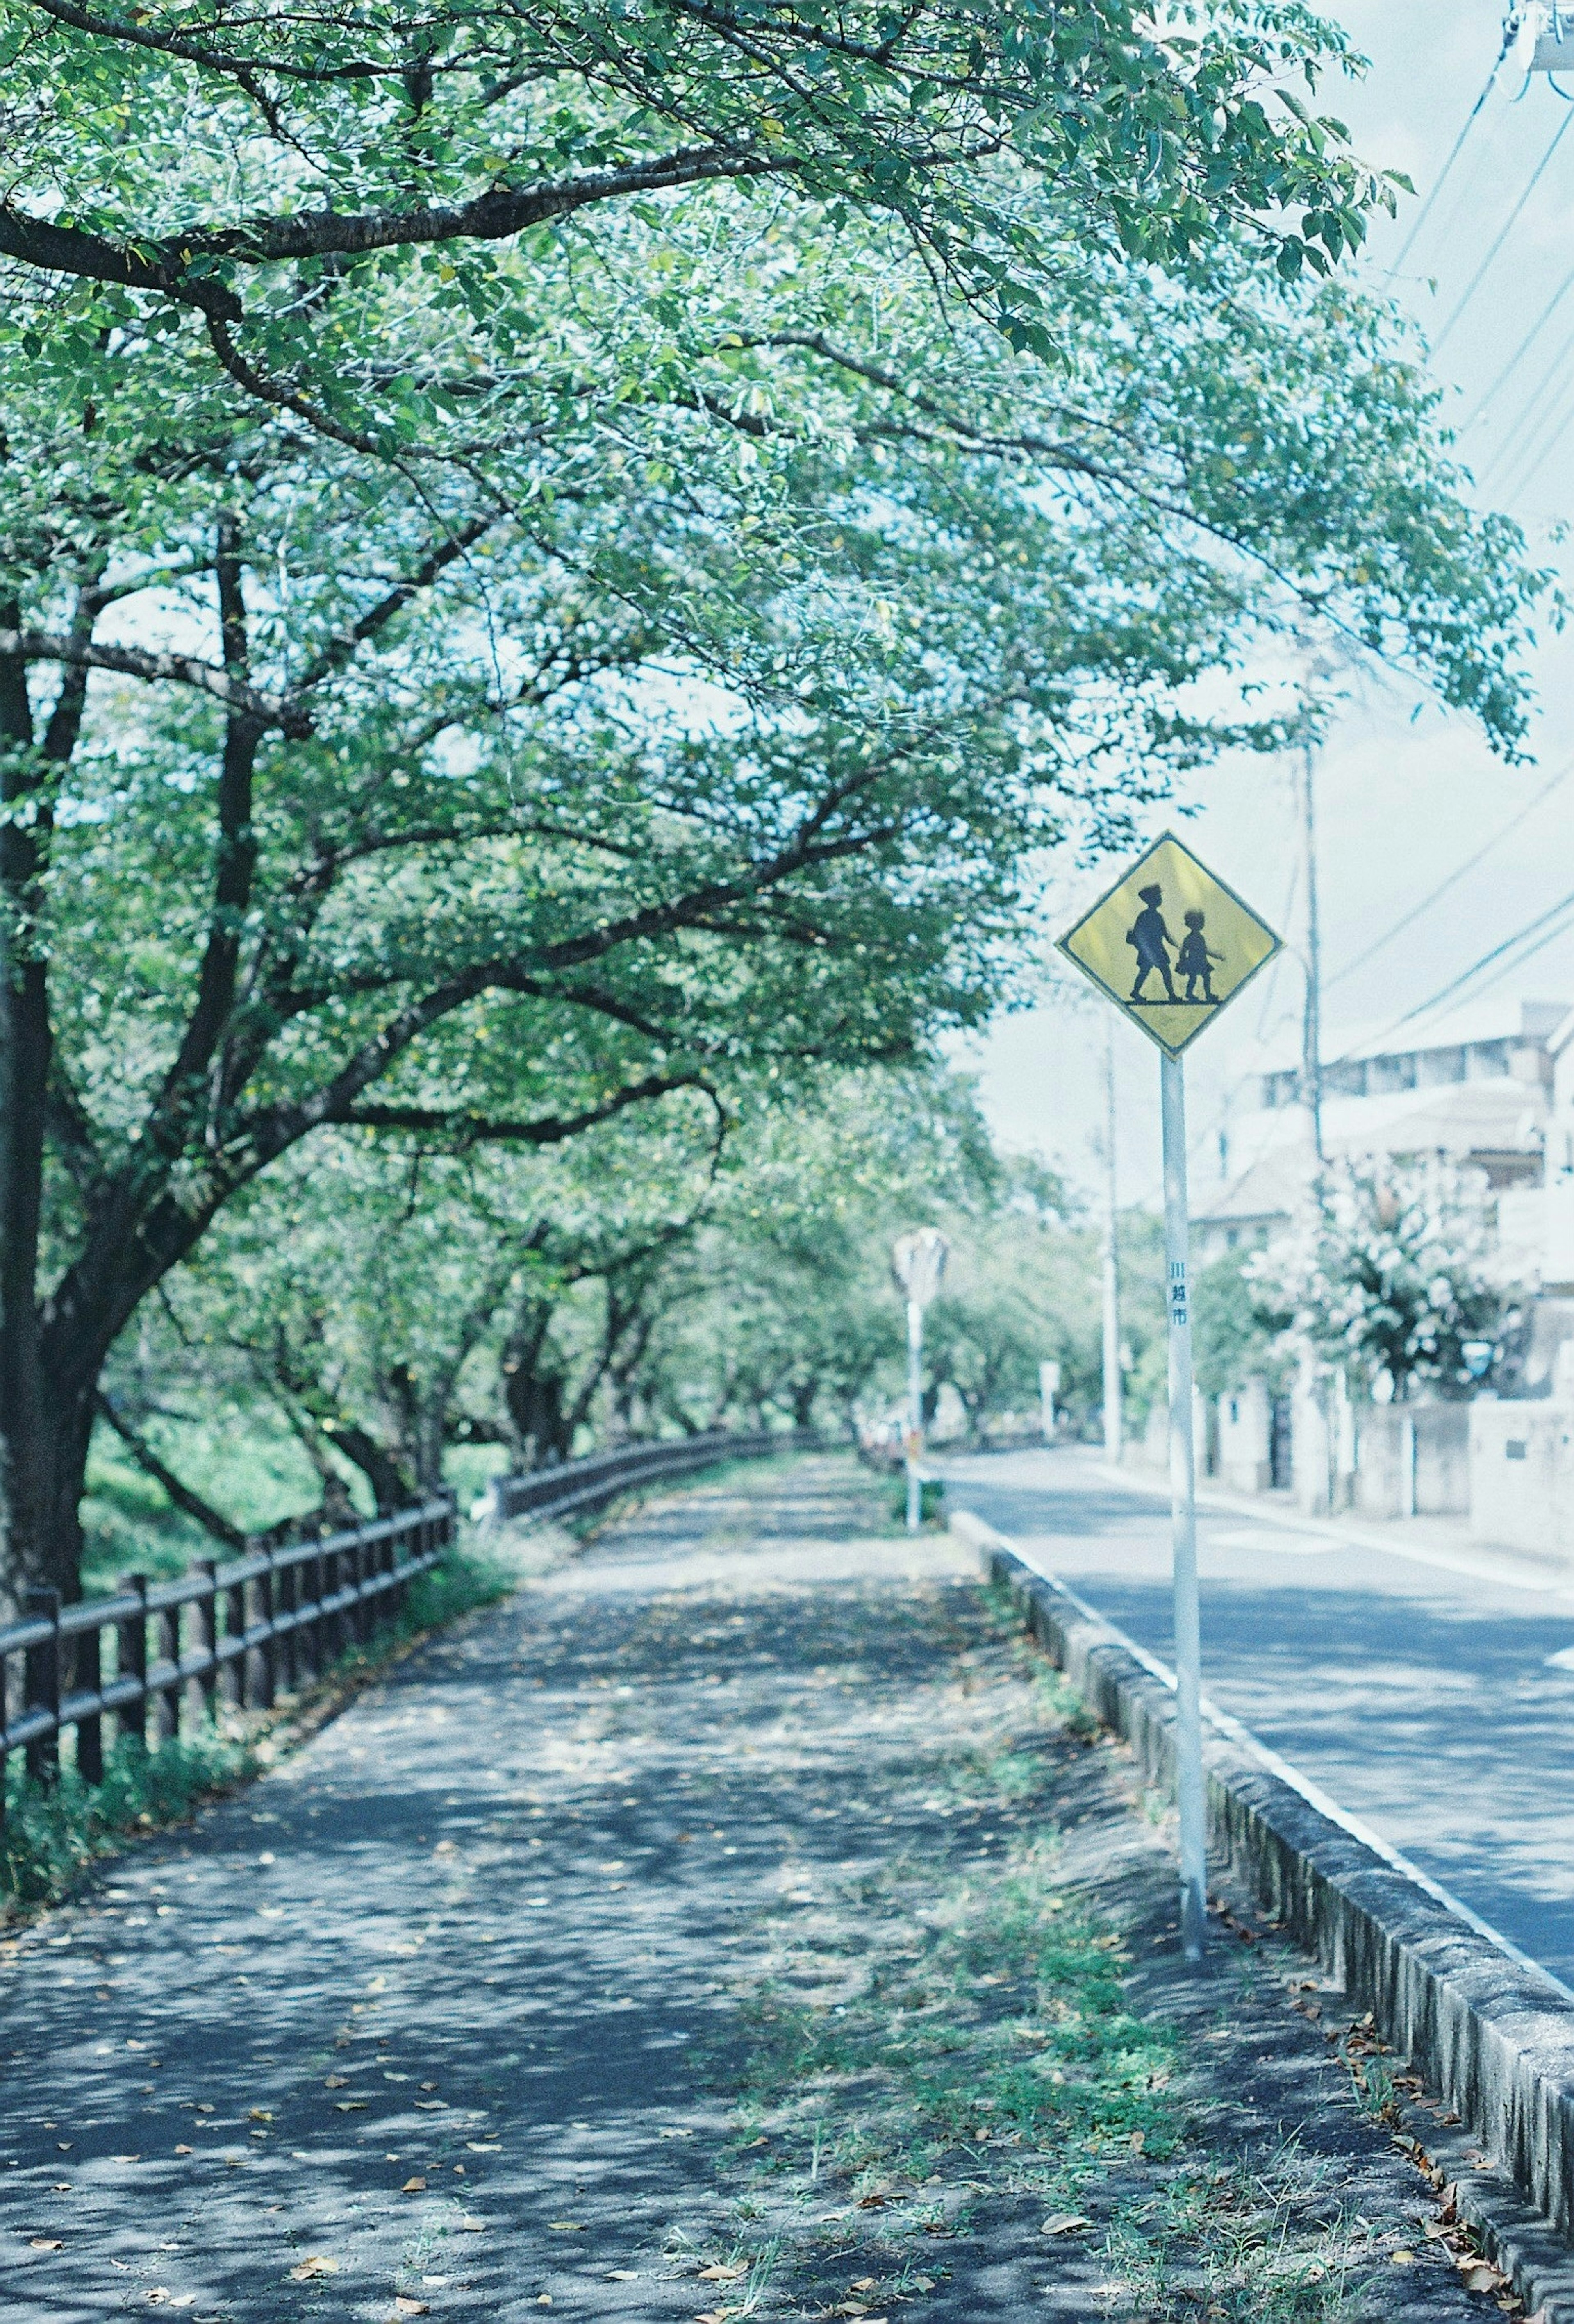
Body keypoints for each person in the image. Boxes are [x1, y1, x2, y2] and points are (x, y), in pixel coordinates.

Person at [1126, 883, 1177, 1002]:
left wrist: (1175, 944)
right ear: (1151, 900)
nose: (1160, 899)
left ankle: (1171, 995)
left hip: (1157, 949)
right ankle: (1137, 992)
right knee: (1148, 972)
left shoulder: (1158, 916)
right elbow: (1137, 933)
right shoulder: (1144, 916)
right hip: (1148, 950)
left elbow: (1165, 933)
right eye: (1157, 897)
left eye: (1160, 897)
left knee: (1163, 972)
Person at [1176, 908, 1224, 1003]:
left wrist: (1218, 956)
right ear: (1191, 924)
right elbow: (1183, 951)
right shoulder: (1189, 938)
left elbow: (1205, 950)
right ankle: (1190, 994)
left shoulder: (1200, 938)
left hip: (1202, 961)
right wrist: (1182, 961)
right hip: (1193, 962)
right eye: (1197, 922)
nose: (1200, 925)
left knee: (1206, 977)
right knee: (1194, 978)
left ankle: (1208, 994)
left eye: (1201, 922)